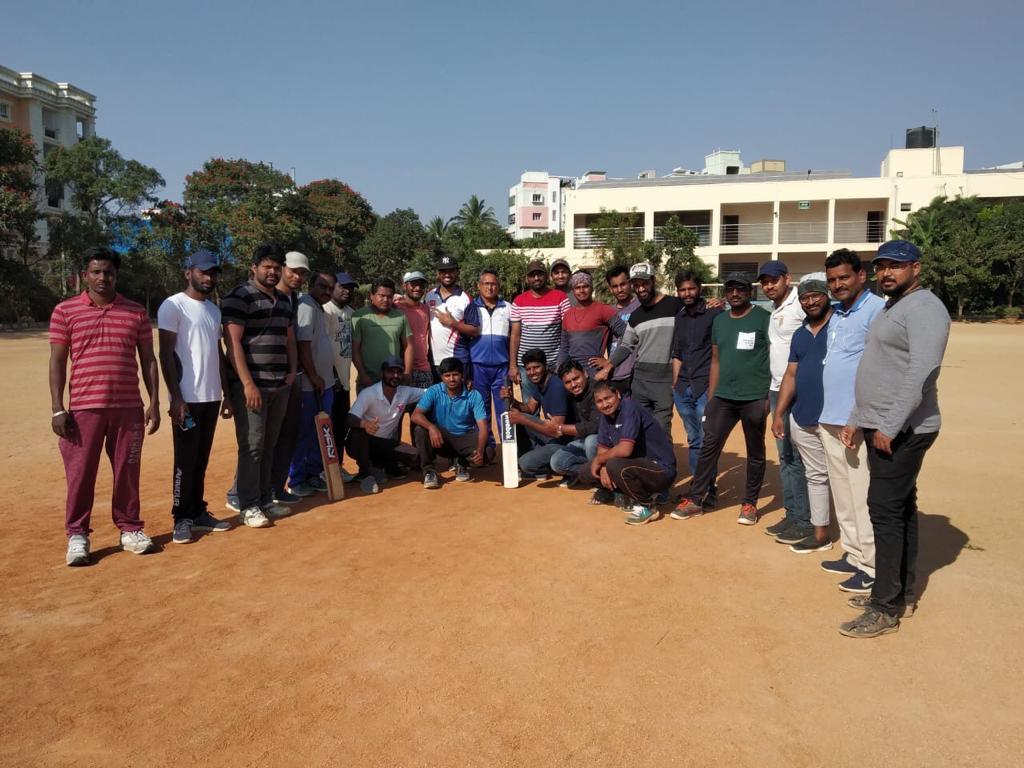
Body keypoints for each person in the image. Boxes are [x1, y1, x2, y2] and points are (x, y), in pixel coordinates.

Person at [839, 240, 950, 639]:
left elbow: (922, 371)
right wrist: (858, 418)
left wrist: (889, 425)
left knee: (884, 511)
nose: (887, 273)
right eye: (882, 266)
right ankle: (899, 592)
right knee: (900, 509)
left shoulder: (924, 308)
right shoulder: (895, 306)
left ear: (916, 268)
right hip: (883, 425)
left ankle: (884, 607)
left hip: (904, 430)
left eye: (896, 266)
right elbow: (880, 368)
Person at [50, 246, 161, 565]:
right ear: (84, 275)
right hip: (85, 408)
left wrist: (154, 401)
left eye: (108, 272)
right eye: (96, 272)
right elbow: (57, 361)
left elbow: (148, 359)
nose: (102, 277)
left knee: (128, 470)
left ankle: (130, 528)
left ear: (117, 275)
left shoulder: (135, 312)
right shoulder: (65, 311)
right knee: (80, 474)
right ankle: (77, 535)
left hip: (128, 408)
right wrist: (58, 408)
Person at [673, 273, 771, 525]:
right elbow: (715, 360)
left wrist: (768, 396)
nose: (735, 294)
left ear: (749, 291)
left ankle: (749, 503)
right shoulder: (720, 320)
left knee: (755, 451)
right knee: (709, 446)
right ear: (725, 293)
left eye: (740, 289)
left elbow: (774, 355)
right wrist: (712, 399)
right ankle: (697, 499)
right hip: (723, 397)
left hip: (754, 397)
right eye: (730, 290)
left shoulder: (763, 318)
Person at [816, 249, 886, 593]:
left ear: (862, 275)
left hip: (854, 421)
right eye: (832, 280)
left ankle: (871, 566)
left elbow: (879, 368)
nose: (837, 284)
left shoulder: (877, 311)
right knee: (842, 492)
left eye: (844, 277)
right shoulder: (838, 313)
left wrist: (858, 416)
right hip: (830, 416)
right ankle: (854, 554)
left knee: (860, 494)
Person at [156, 249, 233, 545]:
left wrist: (226, 394)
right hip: (186, 398)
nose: (209, 277)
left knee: (201, 458)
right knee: (184, 461)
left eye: (213, 273)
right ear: (188, 273)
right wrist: (175, 397)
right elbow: (165, 354)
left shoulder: (214, 311)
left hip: (210, 397)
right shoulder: (173, 305)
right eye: (203, 272)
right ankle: (181, 517)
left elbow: (218, 354)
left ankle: (198, 512)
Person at [221, 243, 297, 529]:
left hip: (279, 384)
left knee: (268, 444)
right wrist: (247, 384)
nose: (272, 272)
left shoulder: (284, 300)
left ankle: (265, 499)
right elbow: (232, 343)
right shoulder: (239, 296)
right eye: (267, 267)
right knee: (252, 446)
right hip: (252, 386)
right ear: (253, 268)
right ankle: (248, 504)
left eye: (277, 267)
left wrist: (292, 371)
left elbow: (289, 339)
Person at [771, 274, 834, 553]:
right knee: (815, 475)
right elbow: (791, 374)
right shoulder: (800, 333)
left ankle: (859, 544)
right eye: (805, 298)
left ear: (826, 295)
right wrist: (779, 413)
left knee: (844, 479)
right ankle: (818, 533)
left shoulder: (840, 326)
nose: (810, 302)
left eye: (815, 295)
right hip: (803, 414)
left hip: (836, 417)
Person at [593, 262, 681, 436]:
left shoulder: (675, 305)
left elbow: (696, 310)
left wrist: (712, 303)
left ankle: (664, 455)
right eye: (637, 285)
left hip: (664, 379)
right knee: (640, 427)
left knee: (661, 428)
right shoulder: (636, 315)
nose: (641, 289)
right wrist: (608, 366)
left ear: (653, 280)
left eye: (645, 283)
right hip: (640, 380)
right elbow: (626, 345)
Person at [758, 260, 812, 542]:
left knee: (800, 458)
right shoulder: (775, 309)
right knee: (786, 457)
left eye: (774, 280)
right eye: (765, 282)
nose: (769, 286)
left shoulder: (800, 305)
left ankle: (806, 521)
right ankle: (792, 514)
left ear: (787, 279)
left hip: (797, 390)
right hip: (777, 389)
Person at [577, 381, 677, 526]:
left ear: (617, 394)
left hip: (660, 469)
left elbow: (625, 449)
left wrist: (600, 460)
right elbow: (603, 447)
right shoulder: (605, 416)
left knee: (614, 465)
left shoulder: (630, 408)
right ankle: (623, 493)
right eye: (599, 401)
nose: (605, 404)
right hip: (636, 465)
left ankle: (648, 505)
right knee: (585, 472)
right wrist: (603, 466)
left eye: (608, 398)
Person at [671, 270, 724, 497]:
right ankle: (698, 488)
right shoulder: (680, 317)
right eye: (682, 290)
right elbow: (678, 353)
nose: (687, 293)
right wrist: (675, 384)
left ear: (699, 288)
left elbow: (720, 352)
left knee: (706, 440)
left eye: (691, 288)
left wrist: (714, 388)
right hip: (683, 388)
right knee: (693, 440)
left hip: (705, 386)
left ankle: (708, 490)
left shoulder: (715, 313)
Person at [288, 272, 339, 496]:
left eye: (330, 288)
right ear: (311, 285)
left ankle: (313, 474)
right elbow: (303, 345)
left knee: (321, 431)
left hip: (324, 383)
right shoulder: (306, 306)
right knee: (304, 432)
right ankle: (297, 480)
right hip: (310, 385)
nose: (326, 291)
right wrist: (314, 375)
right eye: (322, 286)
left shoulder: (318, 307)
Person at [346, 356, 424, 494]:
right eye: (390, 371)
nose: (395, 376)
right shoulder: (369, 393)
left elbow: (429, 392)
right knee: (358, 433)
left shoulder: (405, 392)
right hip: (361, 444)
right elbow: (350, 418)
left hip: (383, 444)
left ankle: (379, 467)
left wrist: (454, 384)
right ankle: (365, 473)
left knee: (415, 456)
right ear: (382, 373)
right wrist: (365, 424)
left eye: (399, 372)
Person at [270, 250, 311, 503]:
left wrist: (294, 371)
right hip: (269, 377)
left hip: (291, 377)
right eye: (293, 271)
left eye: (302, 273)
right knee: (264, 439)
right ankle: (243, 493)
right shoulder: (269, 296)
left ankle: (276, 488)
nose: (297, 276)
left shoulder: (294, 299)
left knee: (288, 433)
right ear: (283, 268)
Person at [411, 357, 489, 488]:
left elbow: (483, 427)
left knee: (487, 453)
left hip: (464, 437)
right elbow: (415, 415)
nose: (451, 379)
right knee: (420, 429)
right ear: (441, 377)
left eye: (455, 374)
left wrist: (480, 451)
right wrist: (432, 427)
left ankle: (461, 463)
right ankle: (429, 471)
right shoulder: (434, 391)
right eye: (447, 375)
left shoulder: (474, 394)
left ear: (462, 375)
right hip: (442, 438)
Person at [501, 348, 572, 481]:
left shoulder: (556, 387)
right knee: (517, 418)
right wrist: (512, 400)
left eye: (536, 367)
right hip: (552, 437)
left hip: (565, 442)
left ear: (545, 366)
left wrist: (522, 419)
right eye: (528, 369)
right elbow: (529, 408)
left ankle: (544, 465)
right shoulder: (538, 383)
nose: (532, 372)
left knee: (525, 463)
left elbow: (557, 431)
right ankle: (537, 460)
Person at [509, 259, 570, 399]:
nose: (536, 278)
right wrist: (513, 366)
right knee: (530, 404)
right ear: (527, 278)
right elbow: (515, 335)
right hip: (527, 366)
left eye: (540, 274)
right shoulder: (518, 301)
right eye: (532, 275)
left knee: (556, 403)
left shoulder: (561, 298)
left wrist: (562, 360)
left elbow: (567, 331)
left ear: (546, 276)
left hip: (553, 363)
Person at [466, 268, 511, 446]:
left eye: (493, 284)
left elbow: (515, 336)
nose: (490, 287)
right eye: (486, 283)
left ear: (498, 286)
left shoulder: (508, 307)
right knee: (481, 410)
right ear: (479, 286)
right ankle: (487, 448)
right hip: (478, 367)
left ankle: (508, 450)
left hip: (502, 368)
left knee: (504, 409)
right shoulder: (471, 308)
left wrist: (513, 365)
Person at [323, 271, 358, 482]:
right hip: (330, 381)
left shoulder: (351, 313)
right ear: (333, 287)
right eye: (343, 287)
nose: (347, 291)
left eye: (351, 288)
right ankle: (321, 470)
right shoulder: (326, 310)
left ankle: (337, 467)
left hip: (344, 382)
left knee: (340, 427)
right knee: (325, 428)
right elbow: (322, 347)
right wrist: (333, 375)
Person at [352, 277, 413, 390]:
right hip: (367, 381)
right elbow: (355, 349)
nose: (386, 299)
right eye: (382, 295)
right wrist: (362, 374)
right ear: (371, 296)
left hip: (394, 380)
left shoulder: (401, 316)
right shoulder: (358, 316)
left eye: (389, 296)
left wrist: (407, 372)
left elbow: (408, 346)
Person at [560, 271, 625, 376]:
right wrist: (559, 371)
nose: (582, 291)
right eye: (577, 287)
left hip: (595, 373)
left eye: (585, 286)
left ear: (592, 288)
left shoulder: (604, 310)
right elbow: (564, 347)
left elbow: (626, 335)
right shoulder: (567, 315)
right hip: (573, 374)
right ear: (573, 290)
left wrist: (610, 361)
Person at [426, 254, 477, 382]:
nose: (447, 274)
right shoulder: (429, 295)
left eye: (451, 270)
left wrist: (452, 323)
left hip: (458, 360)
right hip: (435, 361)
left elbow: (475, 331)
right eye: (443, 271)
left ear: (457, 272)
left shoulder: (465, 298)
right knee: (438, 394)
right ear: (438, 274)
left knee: (459, 394)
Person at [548, 361, 601, 486]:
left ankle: (604, 479)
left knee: (591, 441)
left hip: (605, 441)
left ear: (585, 374)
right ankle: (590, 475)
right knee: (557, 462)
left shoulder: (598, 390)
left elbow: (594, 426)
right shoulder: (570, 395)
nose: (573, 385)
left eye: (576, 378)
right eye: (568, 382)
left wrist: (559, 427)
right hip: (583, 441)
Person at [604, 265, 640, 394]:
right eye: (615, 286)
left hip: (636, 374)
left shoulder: (641, 306)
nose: (619, 289)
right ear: (610, 289)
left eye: (623, 284)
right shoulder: (608, 312)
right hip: (614, 375)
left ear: (630, 283)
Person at [397, 270, 434, 388]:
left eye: (421, 285)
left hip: (424, 368)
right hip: (401, 369)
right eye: (413, 284)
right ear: (404, 286)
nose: (418, 288)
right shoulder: (395, 308)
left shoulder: (426, 309)